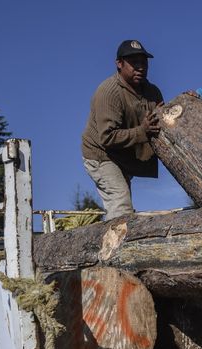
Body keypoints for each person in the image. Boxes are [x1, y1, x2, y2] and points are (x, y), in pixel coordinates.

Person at [81, 40, 163, 219]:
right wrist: (142, 131)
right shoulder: (109, 91)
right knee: (121, 208)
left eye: (144, 62)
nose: (140, 67)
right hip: (101, 155)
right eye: (134, 63)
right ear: (119, 64)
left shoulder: (152, 92)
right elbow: (107, 137)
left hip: (123, 155)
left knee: (123, 203)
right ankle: (118, 245)